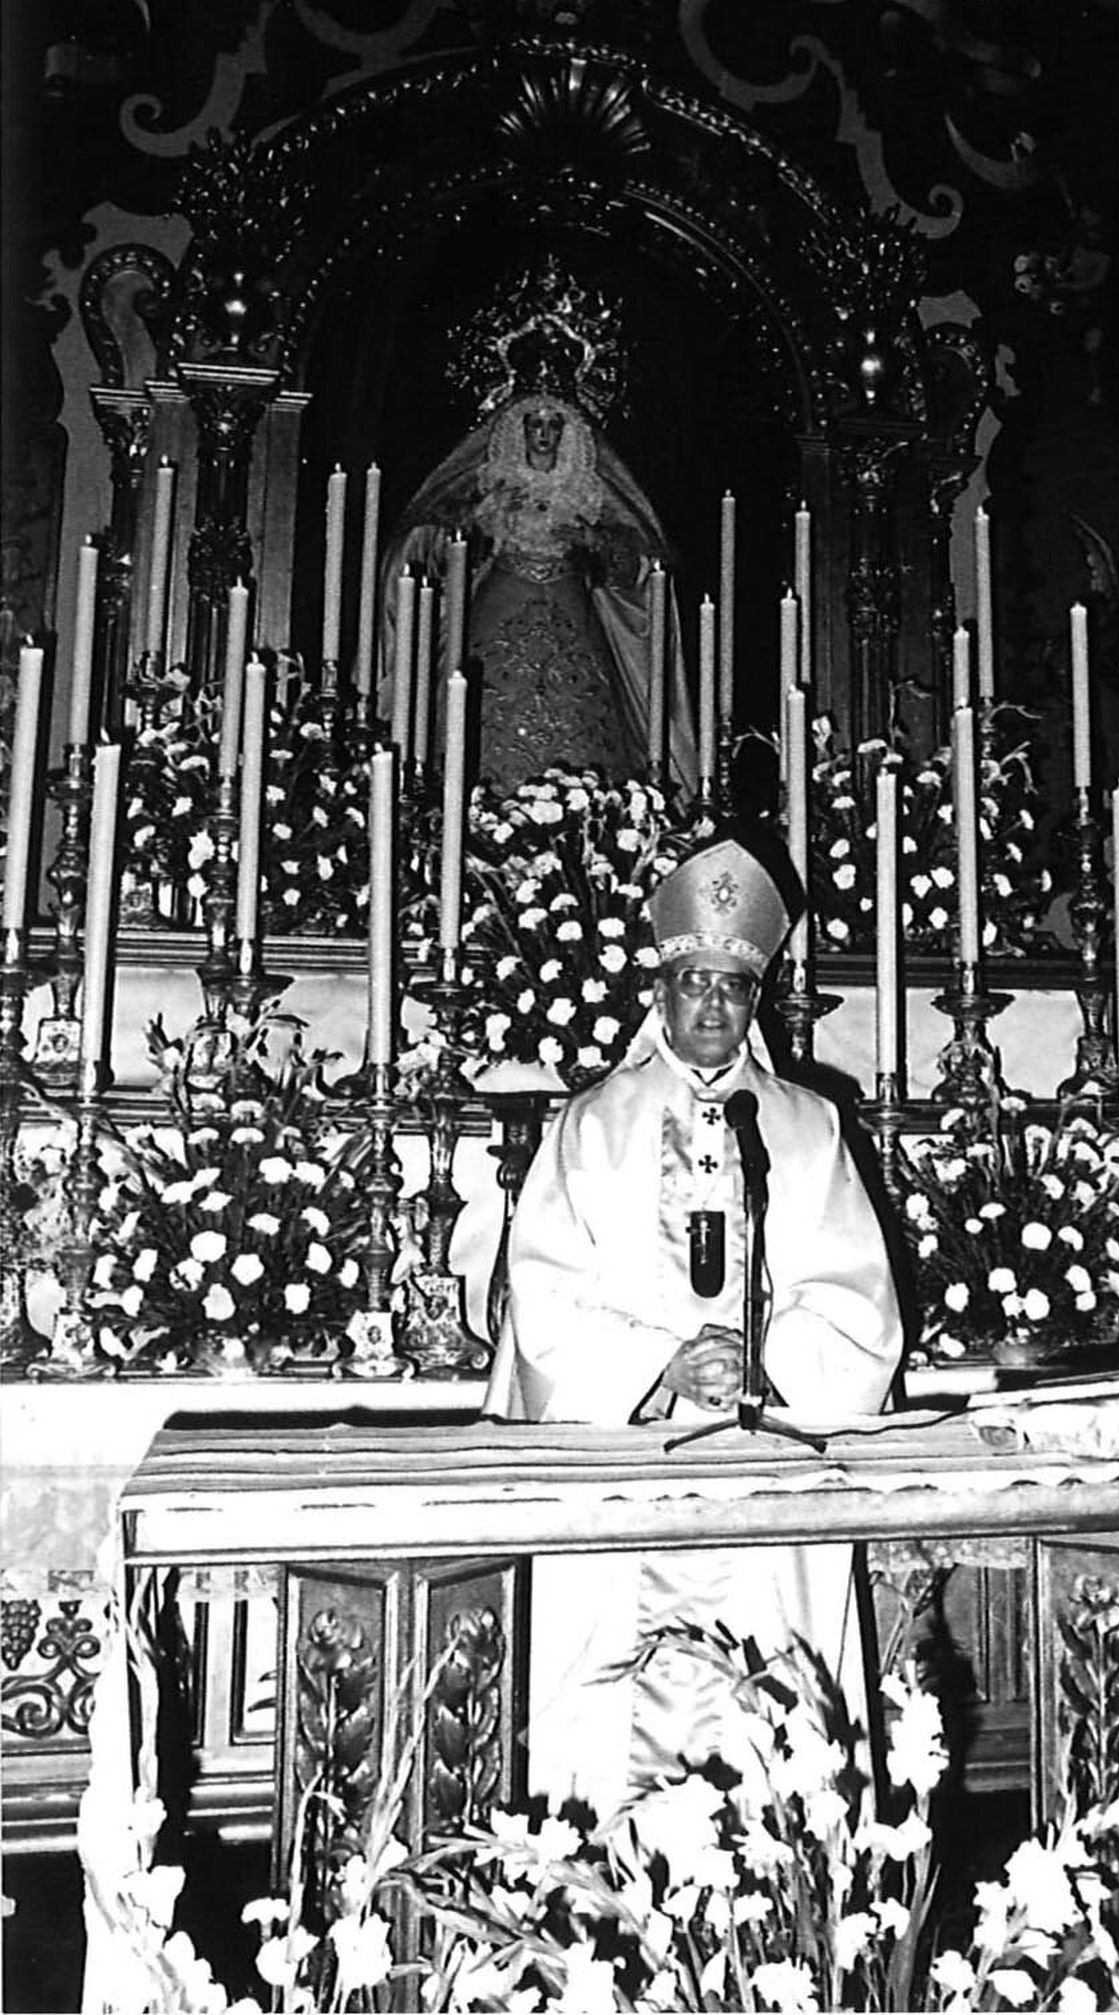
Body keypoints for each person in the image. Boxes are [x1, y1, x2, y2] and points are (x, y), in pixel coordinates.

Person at [483, 836, 904, 1816]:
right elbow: (542, 1299)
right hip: (622, 1463)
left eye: (734, 988)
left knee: (775, 1721)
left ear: (757, 999)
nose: (714, 1008)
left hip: (768, 1467)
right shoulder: (589, 1123)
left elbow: (854, 1297)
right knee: (606, 1704)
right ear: (662, 991)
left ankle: (786, 1917)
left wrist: (762, 1359)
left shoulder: (808, 1124)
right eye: (694, 984)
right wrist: (662, 1360)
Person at [380, 375, 698, 790]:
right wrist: (477, 518)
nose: (544, 434)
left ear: (568, 433)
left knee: (580, 710)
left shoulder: (588, 489)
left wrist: (592, 540)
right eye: (535, 425)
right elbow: (436, 537)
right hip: (501, 594)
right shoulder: (492, 482)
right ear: (520, 430)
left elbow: (641, 560)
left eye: (554, 425)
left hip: (570, 603)